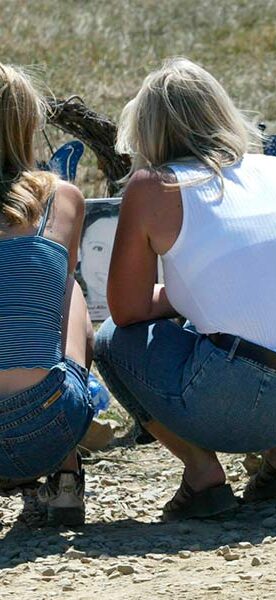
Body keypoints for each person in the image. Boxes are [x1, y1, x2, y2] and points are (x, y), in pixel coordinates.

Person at [95, 57, 276, 520]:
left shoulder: (152, 186)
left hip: (244, 396)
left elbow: (128, 311)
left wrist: (183, 297)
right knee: (263, 321)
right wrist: (198, 294)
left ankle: (203, 476)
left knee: (111, 342)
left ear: (148, 128)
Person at [0, 64, 95, 526]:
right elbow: (53, 312)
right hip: (44, 425)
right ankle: (66, 474)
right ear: (27, 123)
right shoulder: (62, 198)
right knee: (69, 290)